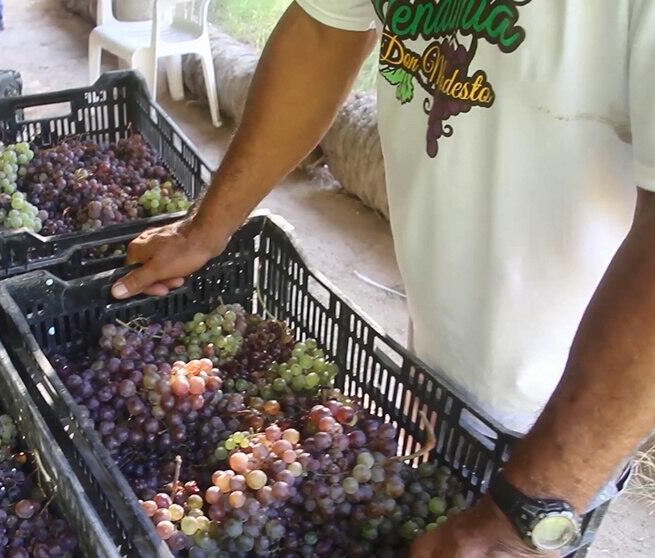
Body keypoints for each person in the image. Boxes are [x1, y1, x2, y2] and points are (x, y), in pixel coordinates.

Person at [111, 1, 655, 556]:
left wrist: (527, 511)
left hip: (568, 413)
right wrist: (207, 227)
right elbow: (326, 34)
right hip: (442, 364)